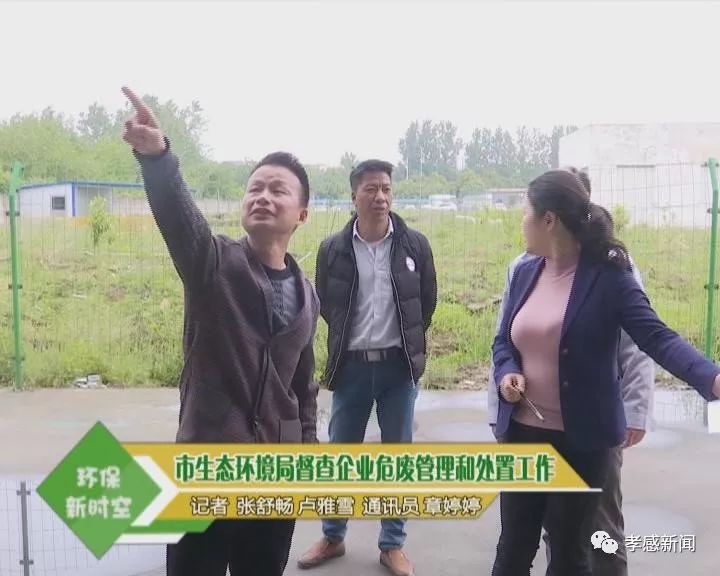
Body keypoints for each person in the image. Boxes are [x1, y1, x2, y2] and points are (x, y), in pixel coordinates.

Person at [120, 86, 320, 576]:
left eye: (278, 190)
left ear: (301, 214)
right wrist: (158, 158)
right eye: (255, 188)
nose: (263, 197)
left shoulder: (308, 294)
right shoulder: (212, 263)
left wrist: (305, 456)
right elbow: (179, 218)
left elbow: (302, 386)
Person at [491, 168, 720, 576]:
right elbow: (504, 341)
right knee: (512, 551)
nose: (521, 221)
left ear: (549, 220)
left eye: (526, 212)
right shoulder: (526, 271)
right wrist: (508, 373)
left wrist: (711, 378)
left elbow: (656, 337)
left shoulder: (609, 277)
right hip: (524, 436)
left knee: (570, 556)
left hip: (583, 443)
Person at [297, 160, 437, 576]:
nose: (380, 197)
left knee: (397, 459)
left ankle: (392, 545)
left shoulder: (414, 246)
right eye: (371, 189)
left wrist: (405, 343)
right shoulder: (333, 249)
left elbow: (425, 304)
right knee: (341, 456)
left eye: (386, 189)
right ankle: (333, 536)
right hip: (352, 368)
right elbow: (328, 305)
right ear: (354, 196)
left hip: (398, 369)